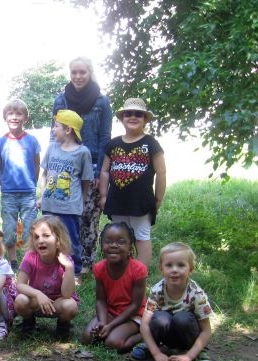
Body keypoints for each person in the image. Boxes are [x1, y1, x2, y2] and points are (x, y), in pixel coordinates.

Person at [52, 57, 112, 274]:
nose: (78, 77)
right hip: (65, 164)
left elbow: (106, 138)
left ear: (90, 72)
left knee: (88, 215)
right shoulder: (61, 100)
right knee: (64, 214)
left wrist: (99, 171)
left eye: (82, 72)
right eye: (74, 72)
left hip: (93, 163)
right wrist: (52, 166)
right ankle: (59, 258)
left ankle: (86, 262)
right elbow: (54, 134)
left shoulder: (102, 102)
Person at [99, 98, 167, 266]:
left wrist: (158, 199)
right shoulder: (113, 144)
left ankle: (139, 274)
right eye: (128, 114)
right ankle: (122, 269)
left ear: (145, 119)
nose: (133, 117)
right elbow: (104, 171)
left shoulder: (150, 143)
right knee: (119, 236)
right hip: (117, 201)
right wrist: (103, 195)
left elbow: (161, 172)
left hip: (141, 202)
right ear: (122, 118)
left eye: (138, 114)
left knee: (141, 237)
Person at [132, 242, 212, 361]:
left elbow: (206, 330)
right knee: (159, 318)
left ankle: (196, 351)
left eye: (181, 265)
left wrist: (189, 356)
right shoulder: (157, 290)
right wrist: (156, 353)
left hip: (186, 335)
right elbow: (145, 324)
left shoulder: (196, 294)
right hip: (166, 335)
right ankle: (153, 346)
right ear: (161, 268)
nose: (174, 270)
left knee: (182, 318)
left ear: (191, 269)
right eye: (169, 265)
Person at [39, 109, 93, 279]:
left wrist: (82, 200)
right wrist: (42, 196)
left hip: (70, 207)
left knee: (70, 240)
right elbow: (45, 174)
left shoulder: (82, 152)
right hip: (49, 205)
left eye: (56, 126)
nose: (53, 130)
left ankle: (74, 271)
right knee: (49, 238)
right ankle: (50, 268)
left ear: (68, 130)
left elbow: (86, 180)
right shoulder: (52, 148)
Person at [81, 222, 147, 352]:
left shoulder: (138, 269)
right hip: (111, 312)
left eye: (121, 242)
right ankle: (110, 328)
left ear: (130, 248)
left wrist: (110, 326)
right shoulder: (99, 268)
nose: (113, 245)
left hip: (133, 315)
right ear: (102, 245)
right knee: (87, 338)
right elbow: (101, 300)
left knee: (112, 343)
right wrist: (102, 322)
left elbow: (135, 305)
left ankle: (143, 333)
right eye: (108, 241)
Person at [0, 99, 41, 269]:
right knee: (9, 227)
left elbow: (36, 164)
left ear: (25, 118)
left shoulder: (32, 141)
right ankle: (12, 260)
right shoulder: (0, 142)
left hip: (28, 193)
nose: (14, 117)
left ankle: (28, 260)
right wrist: (3, 183)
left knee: (29, 228)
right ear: (5, 117)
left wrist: (32, 184)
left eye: (18, 114)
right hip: (9, 194)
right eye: (11, 114)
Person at [14, 215, 78, 340]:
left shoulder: (66, 260)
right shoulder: (30, 257)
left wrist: (69, 268)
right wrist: (38, 294)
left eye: (46, 236)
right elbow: (20, 285)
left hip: (57, 303)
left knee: (71, 306)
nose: (40, 240)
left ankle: (63, 326)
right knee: (20, 300)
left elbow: (67, 294)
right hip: (36, 303)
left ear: (58, 240)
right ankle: (29, 322)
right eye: (36, 237)